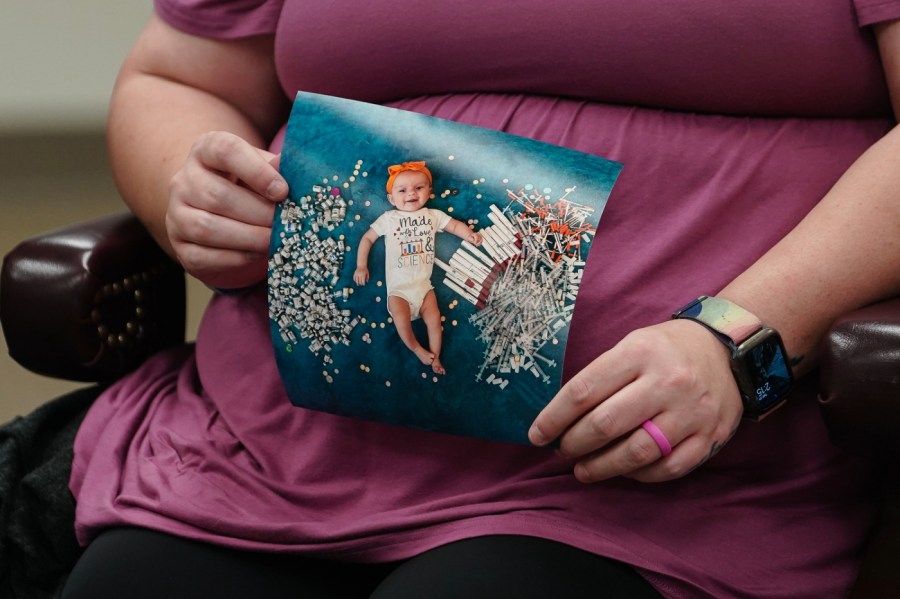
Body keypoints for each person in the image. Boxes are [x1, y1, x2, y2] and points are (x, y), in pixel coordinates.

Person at [59, 1, 900, 597]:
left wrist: (734, 338)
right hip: (280, 447)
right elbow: (174, 74)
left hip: (644, 480)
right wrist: (192, 188)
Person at [353, 161, 483, 374]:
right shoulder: (389, 219)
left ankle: (436, 357)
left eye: (419, 188)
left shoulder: (432, 216)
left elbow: (454, 225)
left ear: (429, 192)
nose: (411, 193)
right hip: (399, 290)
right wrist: (361, 265)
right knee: (401, 321)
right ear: (391, 198)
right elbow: (367, 238)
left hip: (424, 287)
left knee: (434, 321)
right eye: (402, 190)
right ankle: (416, 348)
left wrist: (469, 234)